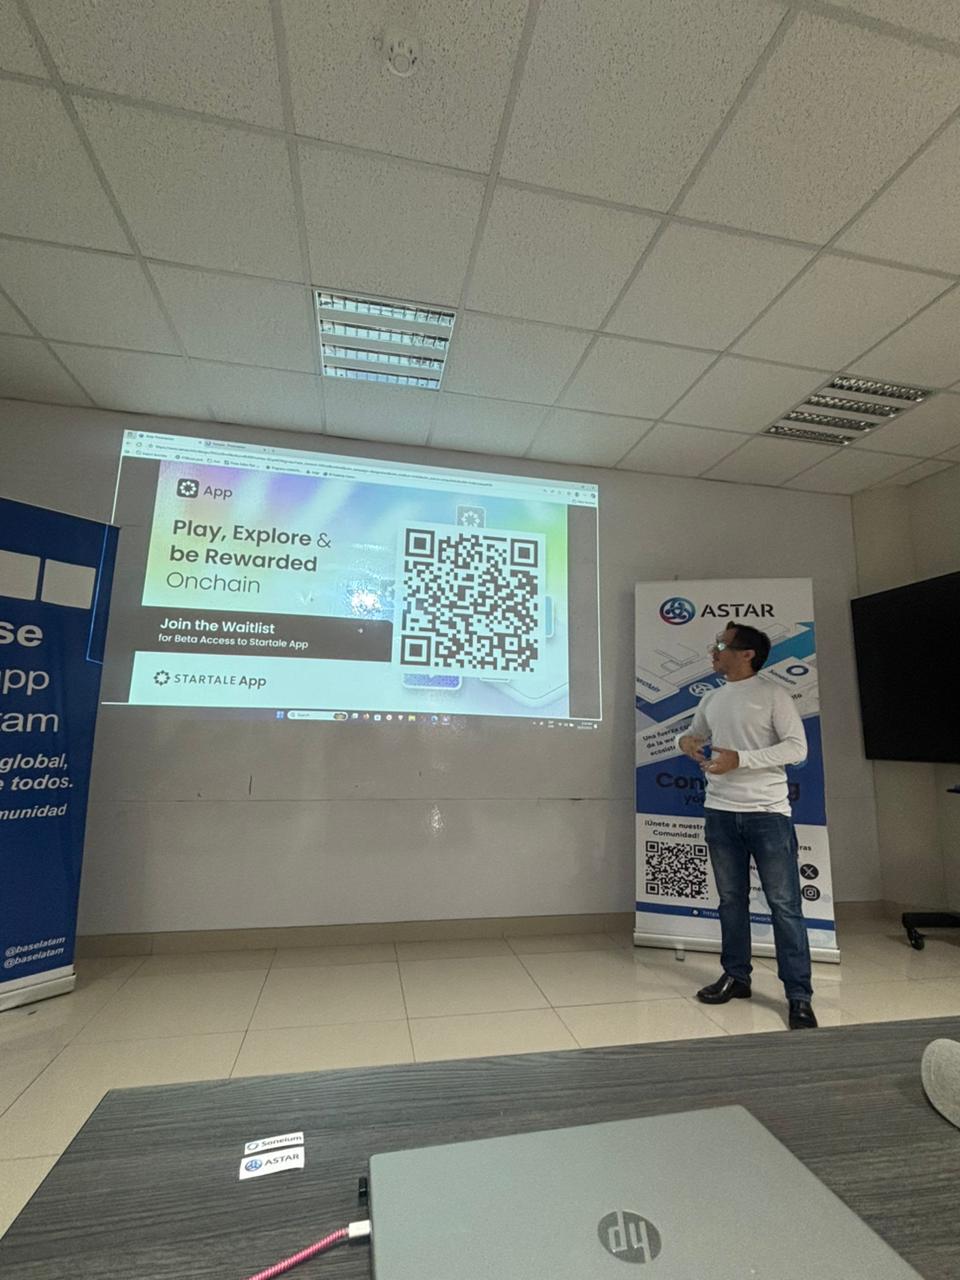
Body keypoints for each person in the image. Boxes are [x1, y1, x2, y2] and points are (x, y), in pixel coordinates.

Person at [677, 623, 816, 1030]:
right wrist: (686, 742)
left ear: (747, 654)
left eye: (721, 644)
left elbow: (797, 748)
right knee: (730, 901)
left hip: (768, 813)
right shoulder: (713, 698)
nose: (714, 650)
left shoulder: (773, 695)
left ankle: (798, 995)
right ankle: (736, 977)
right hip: (719, 811)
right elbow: (694, 733)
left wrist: (742, 759)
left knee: (784, 906)